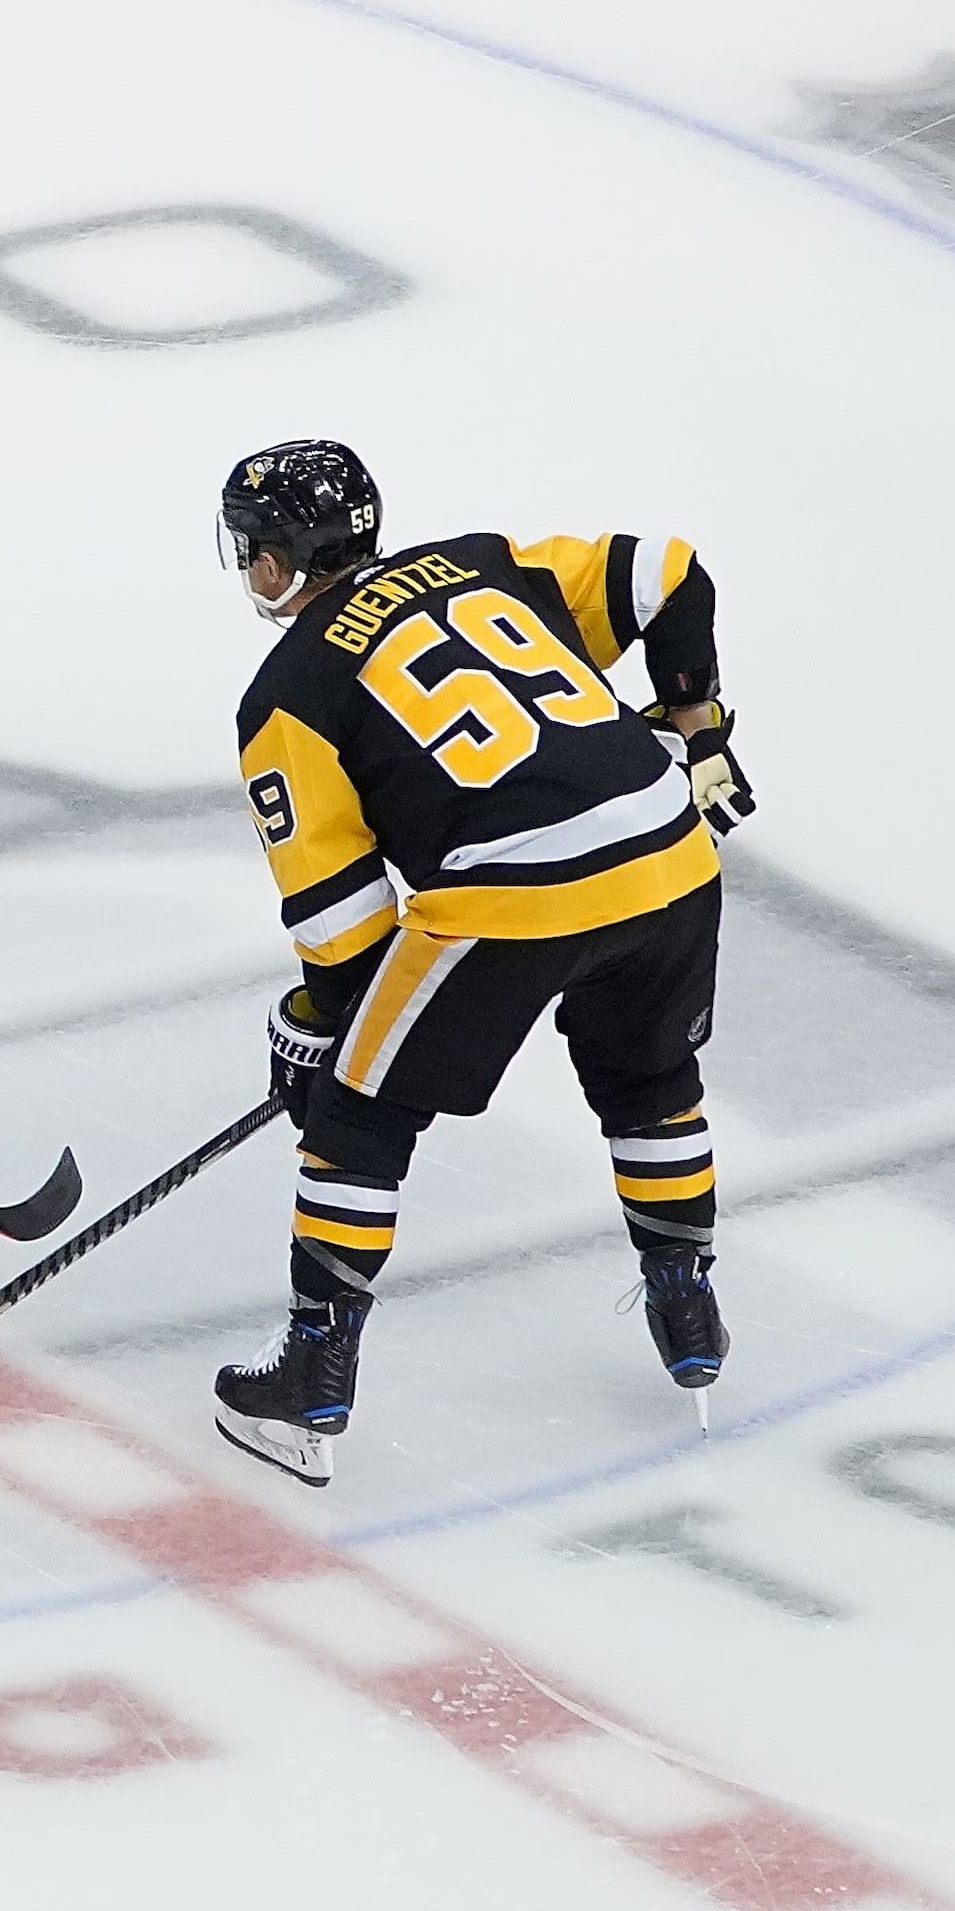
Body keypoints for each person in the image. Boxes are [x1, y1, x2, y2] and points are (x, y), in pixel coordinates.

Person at [208, 438, 753, 1485]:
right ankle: (685, 1302)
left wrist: (324, 1038)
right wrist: (696, 721)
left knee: (360, 1118)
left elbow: (340, 921)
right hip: (670, 852)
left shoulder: (284, 692)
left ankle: (310, 1381)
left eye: (251, 549)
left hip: (512, 897)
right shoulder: (484, 562)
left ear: (280, 560)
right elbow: (671, 574)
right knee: (648, 1081)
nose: (247, 568)